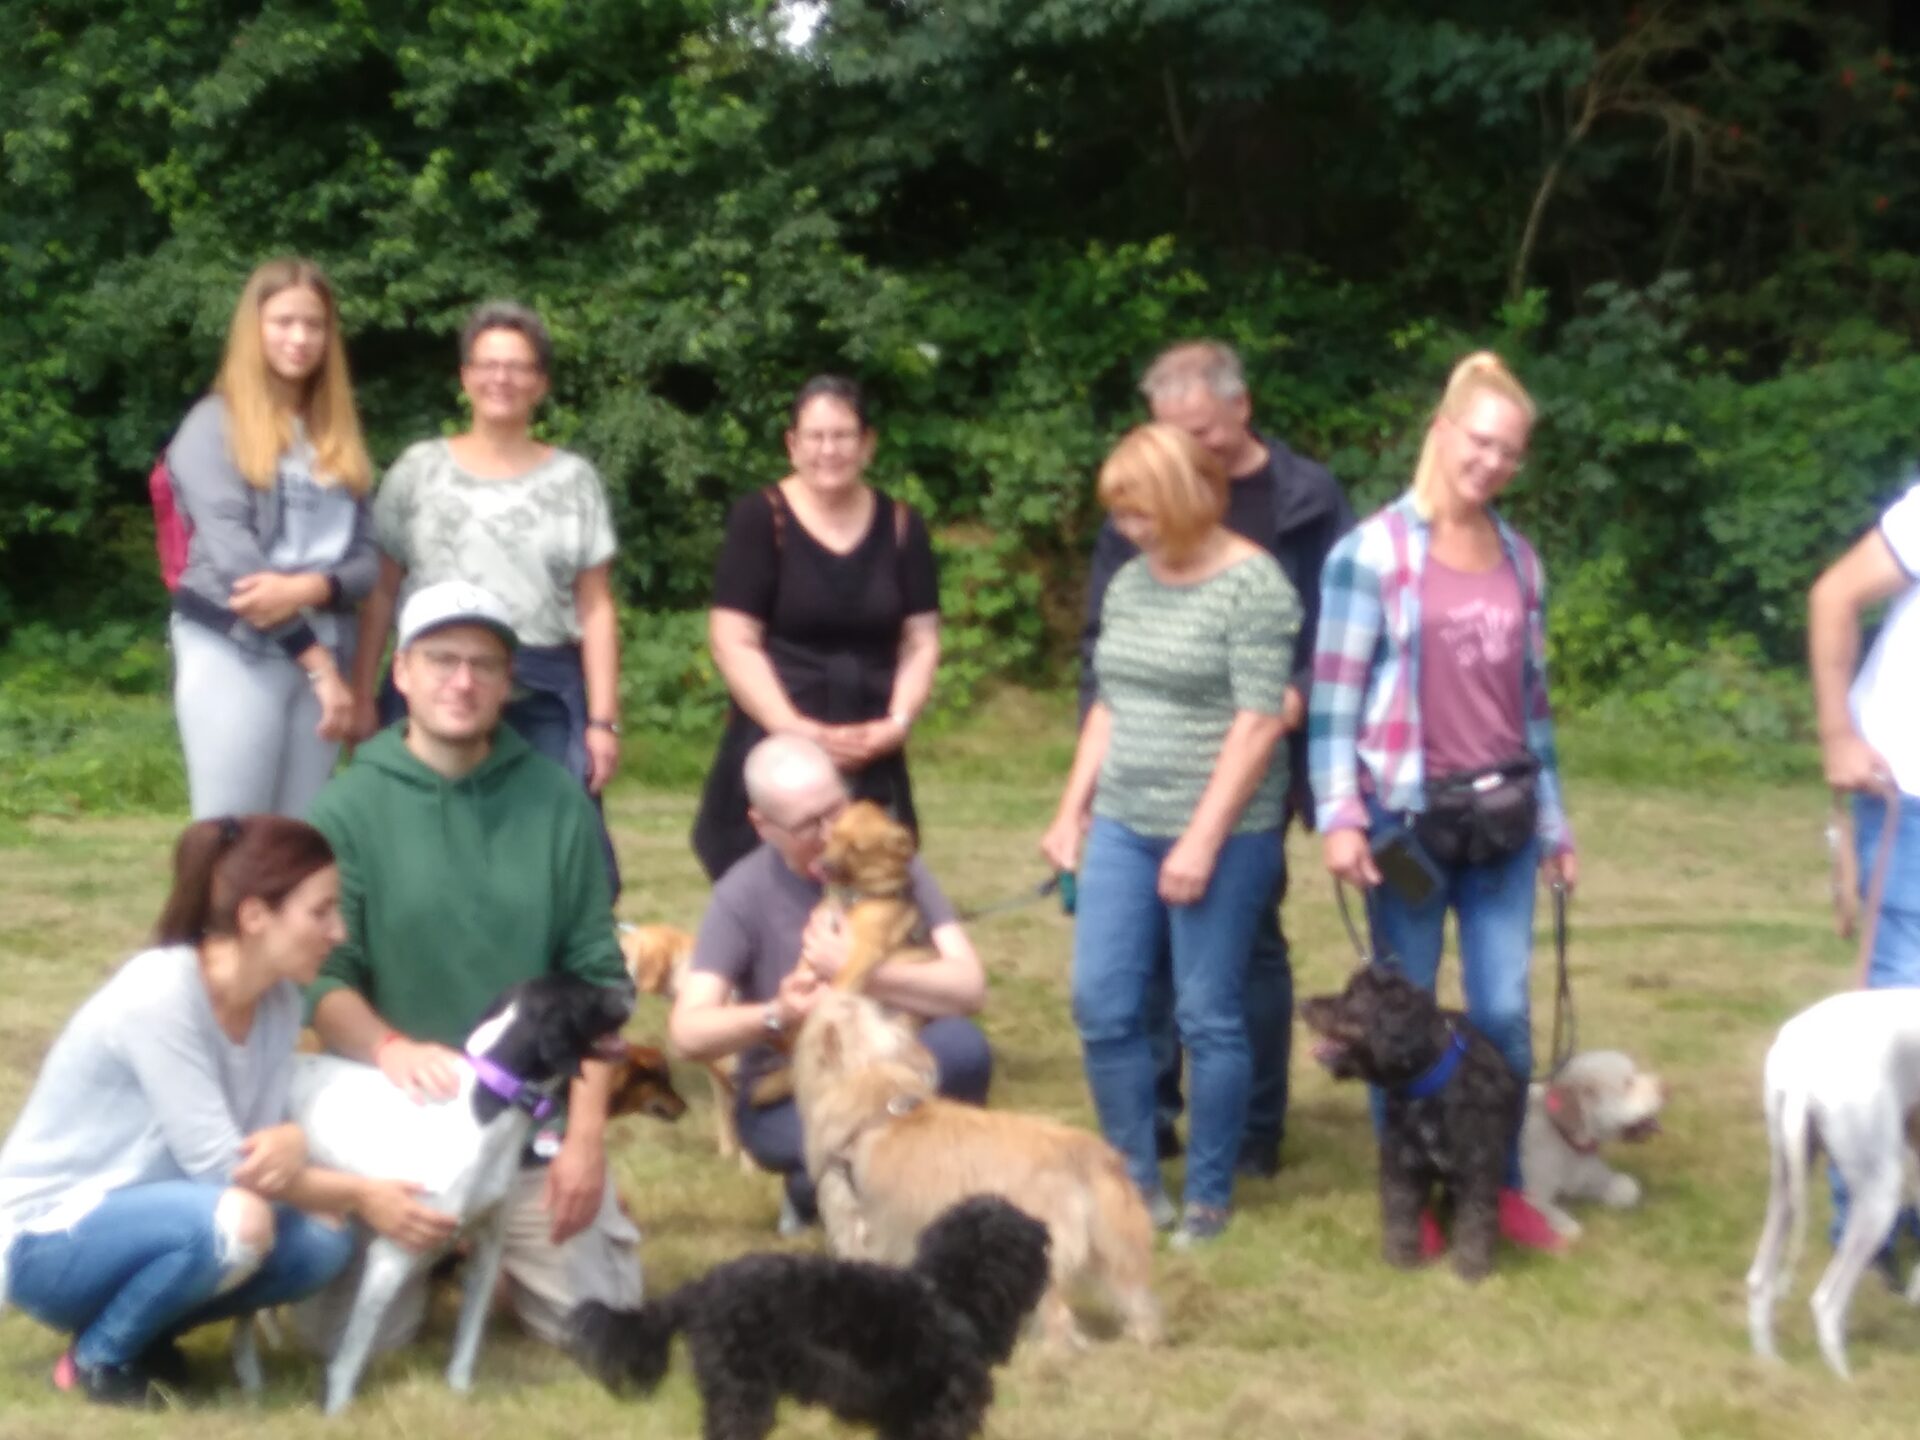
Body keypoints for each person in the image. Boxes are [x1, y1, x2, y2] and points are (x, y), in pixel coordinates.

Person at [0, 816, 456, 1407]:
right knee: (239, 1221)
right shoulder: (160, 993)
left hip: (164, 1217)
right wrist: (363, 1194)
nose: (339, 931)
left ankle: (142, 1330)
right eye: (320, 912)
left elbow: (258, 1156)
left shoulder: (279, 1003)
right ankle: (98, 1359)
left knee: (323, 1240)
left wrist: (290, 1140)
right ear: (255, 916)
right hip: (44, 1240)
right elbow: (224, 1169)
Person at [297, 579, 640, 1355]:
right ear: (402, 672)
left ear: (508, 682)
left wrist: (585, 1141)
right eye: (441, 660)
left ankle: (499, 1250)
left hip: (528, 1134)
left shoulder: (557, 802)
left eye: (484, 664)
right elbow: (324, 977)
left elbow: (597, 980)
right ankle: (440, 1251)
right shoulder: (345, 810)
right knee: (346, 1343)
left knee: (598, 1331)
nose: (462, 682)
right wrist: (388, 1047)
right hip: (394, 1134)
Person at [1308, 351, 1573, 1251]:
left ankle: (1498, 1187)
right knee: (1398, 1017)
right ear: (1443, 431)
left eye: (1510, 452)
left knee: (1502, 1015)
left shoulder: (1521, 560)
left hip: (1503, 822)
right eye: (1480, 441)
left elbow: (1534, 709)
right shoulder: (1370, 555)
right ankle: (1411, 1196)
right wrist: (1341, 815)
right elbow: (1333, 701)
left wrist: (1555, 825)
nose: (1492, 463)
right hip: (1406, 825)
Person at [1078, 339, 1353, 1178]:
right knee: (1141, 964)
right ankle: (1156, 1116)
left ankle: (1253, 1130)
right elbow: (1108, 651)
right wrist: (1085, 792)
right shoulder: (1141, 513)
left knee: (1246, 952)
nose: (1185, 448)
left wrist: (1283, 703)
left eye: (1199, 431)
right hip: (1149, 767)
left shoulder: (1306, 500)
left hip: (1260, 757)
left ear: (1241, 407)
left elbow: (1339, 628)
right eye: (1169, 432)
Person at [1043, 423, 1299, 1248]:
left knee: (1206, 1014)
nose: (1128, 528)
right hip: (1124, 820)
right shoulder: (1129, 582)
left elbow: (1259, 723)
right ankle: (1136, 1181)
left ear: (1189, 499)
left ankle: (1210, 1196)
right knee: (1102, 1003)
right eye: (1120, 513)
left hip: (1226, 831)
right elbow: (1110, 704)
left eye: (1141, 512)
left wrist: (1200, 841)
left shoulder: (1255, 586)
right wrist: (1071, 810)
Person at [349, 301, 622, 895]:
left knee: (562, 854)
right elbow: (382, 590)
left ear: (541, 383)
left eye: (519, 367)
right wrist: (363, 693)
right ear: (465, 376)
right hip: (433, 680)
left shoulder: (574, 480)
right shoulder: (418, 470)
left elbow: (596, 608)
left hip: (542, 684)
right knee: (418, 848)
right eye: (488, 364)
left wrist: (603, 721)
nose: (502, 378)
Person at [672, 733, 989, 1235]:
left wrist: (865, 971)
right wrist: (776, 1013)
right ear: (763, 825)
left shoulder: (885, 861)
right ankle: (820, 1187)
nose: (831, 836)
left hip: (891, 1058)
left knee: (962, 1049)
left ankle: (918, 1188)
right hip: (796, 1085)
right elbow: (688, 1032)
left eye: (835, 810)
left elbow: (969, 986)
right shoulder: (741, 894)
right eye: (808, 825)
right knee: (853, 1134)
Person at [690, 375, 941, 882]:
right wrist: (795, 729)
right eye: (816, 436)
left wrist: (896, 724)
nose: (829, 450)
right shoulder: (760, 519)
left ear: (867, 443)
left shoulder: (902, 526)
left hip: (871, 746)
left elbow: (921, 640)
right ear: (793, 444)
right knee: (764, 895)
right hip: (776, 742)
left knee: (877, 892)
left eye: (843, 435)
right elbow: (733, 640)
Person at [167, 258, 377, 819]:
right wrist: (320, 667)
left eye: (314, 324)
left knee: (296, 841)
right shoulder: (212, 426)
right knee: (231, 834)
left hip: (325, 645)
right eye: (284, 322)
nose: (300, 338)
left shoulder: (336, 433)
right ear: (253, 329)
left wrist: (310, 588)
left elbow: (366, 563)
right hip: (236, 646)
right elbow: (241, 570)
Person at [1808, 476, 1920, 1273]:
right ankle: (1867, 1225)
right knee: (1893, 1025)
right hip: (1908, 799)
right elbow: (1835, 594)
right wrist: (1837, 734)